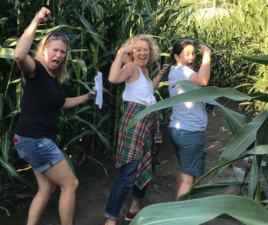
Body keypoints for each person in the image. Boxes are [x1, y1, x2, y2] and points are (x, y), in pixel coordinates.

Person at [13, 7, 95, 225]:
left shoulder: (52, 79)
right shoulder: (35, 70)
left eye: (62, 52)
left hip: (29, 139)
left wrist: (86, 97)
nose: (59, 55)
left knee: (46, 187)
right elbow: (19, 55)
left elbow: (61, 103)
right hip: (36, 140)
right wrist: (37, 19)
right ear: (44, 50)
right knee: (71, 184)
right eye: (55, 50)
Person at [103, 34, 167, 225]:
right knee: (129, 172)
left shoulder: (145, 70)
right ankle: (110, 220)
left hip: (148, 120)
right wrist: (121, 52)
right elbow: (113, 79)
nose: (142, 52)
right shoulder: (130, 67)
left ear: (151, 52)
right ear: (131, 52)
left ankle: (133, 209)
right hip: (134, 121)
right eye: (137, 49)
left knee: (148, 164)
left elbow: (147, 92)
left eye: (146, 49)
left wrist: (159, 76)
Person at [167, 40, 212, 201]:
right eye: (186, 54)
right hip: (190, 133)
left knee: (184, 171)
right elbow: (203, 81)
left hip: (178, 130)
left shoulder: (174, 71)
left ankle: (175, 207)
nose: (191, 57)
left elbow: (190, 92)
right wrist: (206, 55)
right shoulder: (183, 71)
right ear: (177, 56)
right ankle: (179, 217)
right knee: (188, 179)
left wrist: (203, 103)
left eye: (193, 53)